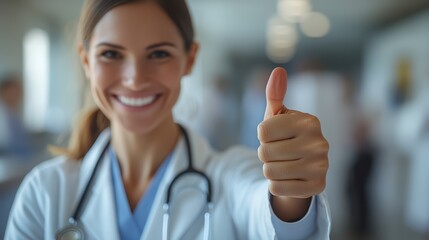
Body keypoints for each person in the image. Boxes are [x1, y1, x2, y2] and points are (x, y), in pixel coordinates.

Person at [5, 0, 331, 239]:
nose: (134, 79)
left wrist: (291, 193)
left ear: (189, 60)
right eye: (111, 54)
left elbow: (266, 211)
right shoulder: (45, 191)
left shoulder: (229, 174)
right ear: (86, 61)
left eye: (159, 53)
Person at [0, 74, 33, 158]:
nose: (17, 95)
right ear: (3, 91)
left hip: (19, 159)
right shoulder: (4, 113)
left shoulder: (14, 112)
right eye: (13, 91)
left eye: (18, 91)